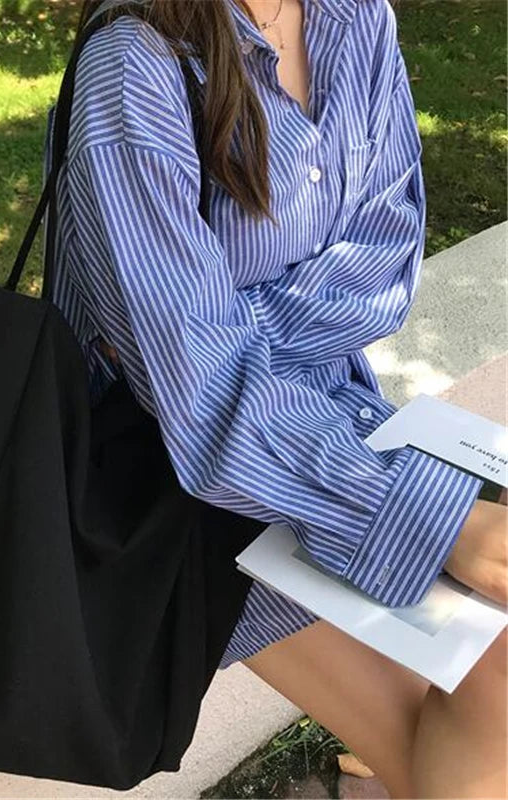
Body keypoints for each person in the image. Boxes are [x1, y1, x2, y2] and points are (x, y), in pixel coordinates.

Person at [42, 0, 508, 796]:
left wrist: (217, 334)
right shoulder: (135, 66)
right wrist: (442, 523)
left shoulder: (355, 16)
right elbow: (197, 399)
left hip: (321, 429)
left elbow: (384, 261)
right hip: (172, 498)